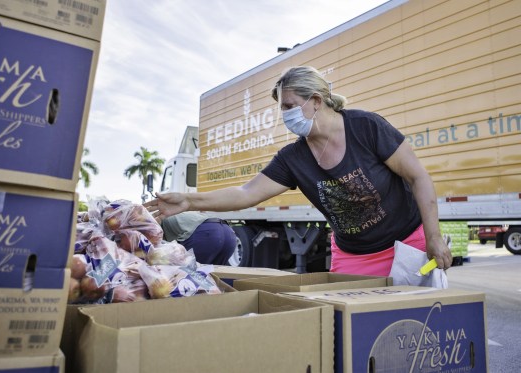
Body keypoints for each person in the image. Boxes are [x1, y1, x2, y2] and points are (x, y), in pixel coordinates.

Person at [145, 66, 452, 276]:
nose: (284, 116)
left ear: (316, 101)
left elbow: (417, 177)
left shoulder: (366, 127)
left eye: (288, 106)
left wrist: (433, 236)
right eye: (282, 109)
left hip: (407, 245)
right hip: (353, 256)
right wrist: (189, 201)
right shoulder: (294, 158)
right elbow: (245, 194)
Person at [159, 211, 236, 266]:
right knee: (216, 274)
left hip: (207, 234)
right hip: (229, 233)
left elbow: (156, 245)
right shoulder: (182, 213)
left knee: (190, 274)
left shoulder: (157, 223)